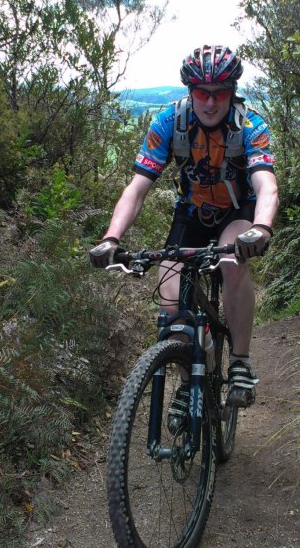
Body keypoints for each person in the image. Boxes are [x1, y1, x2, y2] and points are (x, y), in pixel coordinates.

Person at [89, 44, 279, 411]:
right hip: (190, 215)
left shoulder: (250, 125)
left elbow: (265, 184)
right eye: (201, 93)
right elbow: (137, 188)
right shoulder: (169, 123)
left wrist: (262, 228)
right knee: (171, 300)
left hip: (238, 213)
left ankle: (239, 360)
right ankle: (187, 382)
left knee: (232, 263)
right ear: (189, 92)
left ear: (232, 92)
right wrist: (111, 237)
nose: (210, 102)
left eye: (220, 93)